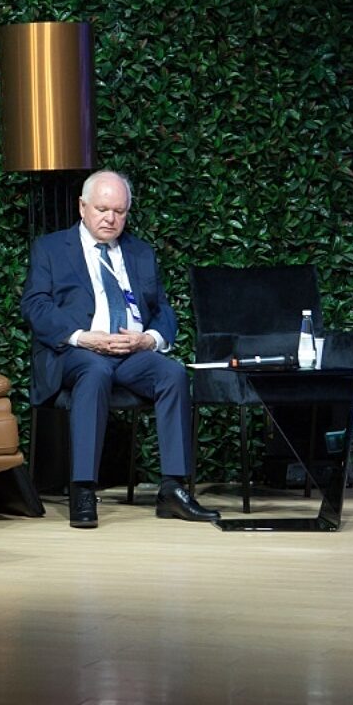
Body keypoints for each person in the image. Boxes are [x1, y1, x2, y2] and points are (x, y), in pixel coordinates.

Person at [21, 169, 220, 529]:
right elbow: (35, 305)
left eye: (119, 211)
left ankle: (173, 489)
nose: (111, 219)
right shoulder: (51, 248)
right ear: (82, 207)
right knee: (94, 370)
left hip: (130, 353)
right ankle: (83, 488)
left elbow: (162, 309)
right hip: (75, 352)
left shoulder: (139, 252)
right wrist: (82, 337)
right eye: (102, 209)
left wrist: (149, 339)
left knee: (172, 373)